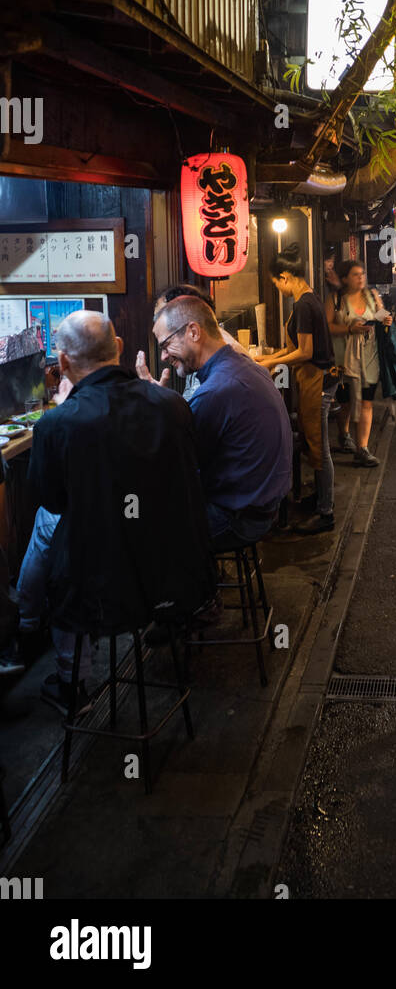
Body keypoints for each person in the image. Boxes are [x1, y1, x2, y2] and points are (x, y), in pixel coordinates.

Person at [14, 312, 216, 716]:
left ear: (64, 364)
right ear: (120, 348)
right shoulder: (172, 404)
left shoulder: (56, 424)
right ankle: (28, 623)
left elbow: (51, 500)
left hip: (99, 594)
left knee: (54, 529)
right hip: (173, 578)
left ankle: (62, 671)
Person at [151, 295, 292, 549]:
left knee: (136, 529)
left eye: (165, 345)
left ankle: (197, 588)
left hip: (239, 520)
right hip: (266, 507)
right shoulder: (247, 367)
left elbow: (175, 463)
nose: (163, 357)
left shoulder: (218, 390)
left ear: (193, 332)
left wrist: (153, 411)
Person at [255, 247, 336, 535]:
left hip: (319, 379)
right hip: (317, 378)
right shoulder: (309, 298)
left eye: (277, 283)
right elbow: (296, 350)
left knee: (319, 445)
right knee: (315, 442)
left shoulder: (303, 304)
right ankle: (321, 500)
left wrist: (270, 360)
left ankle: (326, 512)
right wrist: (271, 358)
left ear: (286, 276)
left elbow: (305, 352)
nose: (278, 289)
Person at [328, 260, 390, 467]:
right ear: (345, 278)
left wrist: (386, 319)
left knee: (366, 402)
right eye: (355, 274)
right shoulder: (336, 299)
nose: (361, 277)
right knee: (346, 403)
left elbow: (381, 314)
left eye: (362, 274)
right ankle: (344, 434)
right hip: (344, 360)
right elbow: (327, 327)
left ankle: (362, 448)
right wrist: (349, 329)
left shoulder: (372, 296)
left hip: (369, 358)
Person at [136, 282, 248, 398]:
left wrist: (158, 402)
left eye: (165, 315)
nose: (163, 357)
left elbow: (197, 409)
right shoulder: (201, 356)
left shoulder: (221, 370)